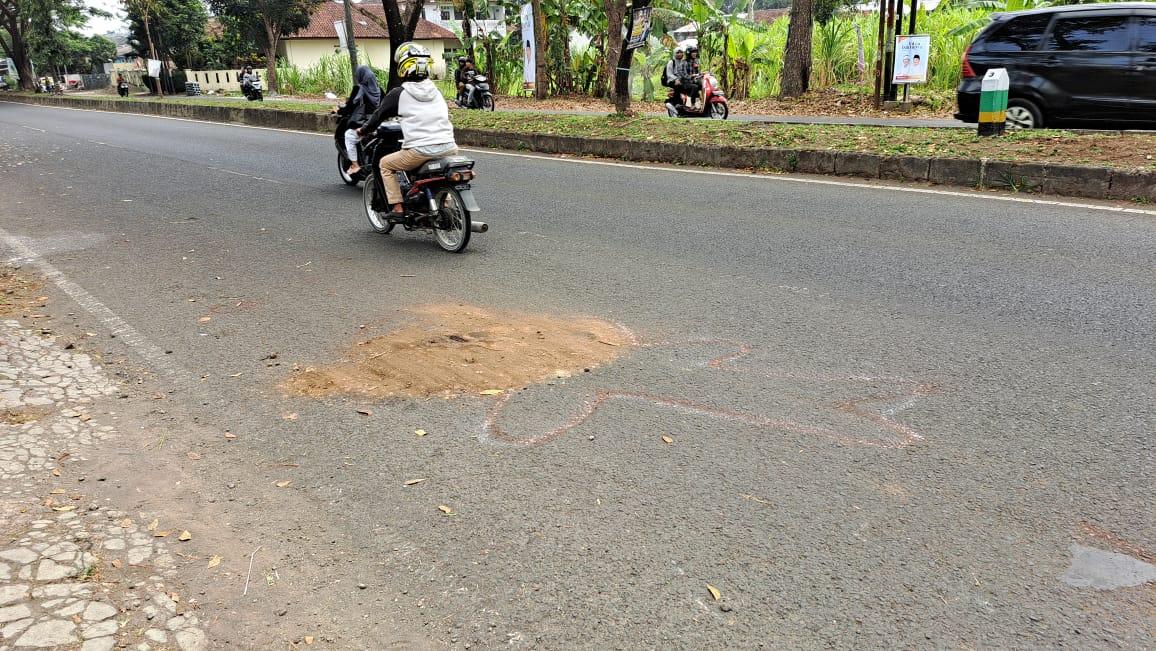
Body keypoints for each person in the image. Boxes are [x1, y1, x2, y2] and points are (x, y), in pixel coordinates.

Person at [359, 42, 458, 216]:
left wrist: (363, 131)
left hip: (420, 151)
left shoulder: (399, 93)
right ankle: (445, 203)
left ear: (404, 67)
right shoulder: (436, 90)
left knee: (385, 164)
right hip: (449, 147)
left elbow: (377, 117)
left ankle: (397, 207)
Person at [335, 65, 382, 175]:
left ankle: (355, 165)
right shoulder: (380, 91)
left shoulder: (359, 89)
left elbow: (349, 107)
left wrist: (339, 111)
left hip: (364, 124)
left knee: (349, 135)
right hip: (379, 125)